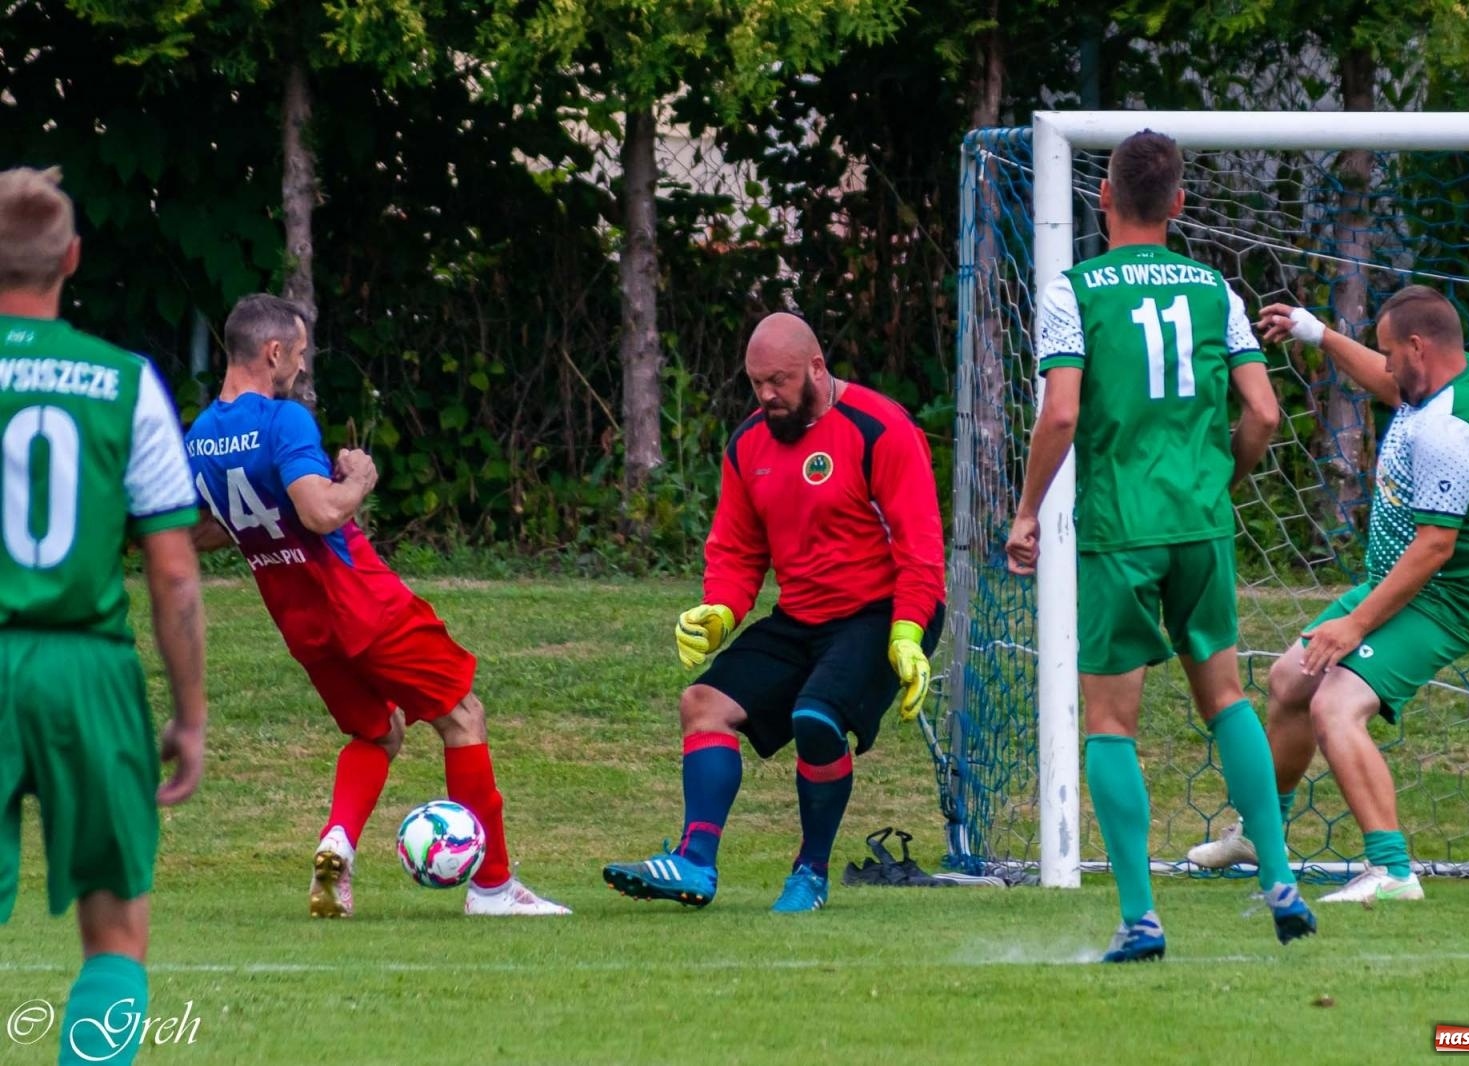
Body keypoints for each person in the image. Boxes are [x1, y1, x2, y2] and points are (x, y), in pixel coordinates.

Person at [1004, 130, 1314, 962]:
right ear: (1178, 203)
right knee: (1227, 699)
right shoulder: (1216, 290)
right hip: (1200, 525)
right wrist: (1219, 481)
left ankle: (1142, 917)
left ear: (1104, 197)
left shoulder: (1074, 291)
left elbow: (1062, 413)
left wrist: (1027, 512)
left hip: (1120, 530)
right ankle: (1278, 875)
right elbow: (1264, 413)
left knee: (1111, 722)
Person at [185, 293, 566, 918]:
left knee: (378, 730)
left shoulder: (200, 438)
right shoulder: (284, 420)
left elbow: (199, 531)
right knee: (463, 717)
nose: (302, 367)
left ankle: (337, 844)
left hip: (302, 625)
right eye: (299, 354)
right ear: (273, 352)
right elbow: (319, 512)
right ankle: (493, 888)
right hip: (362, 602)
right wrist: (360, 477)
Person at [602, 312, 945, 913]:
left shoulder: (880, 428)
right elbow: (737, 551)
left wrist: (908, 632)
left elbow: (920, 550)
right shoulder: (748, 445)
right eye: (756, 382)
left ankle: (810, 873)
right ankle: (693, 862)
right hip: (802, 616)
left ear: (816, 368)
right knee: (702, 705)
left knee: (815, 718)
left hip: (881, 613)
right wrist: (719, 610)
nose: (766, 395)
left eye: (779, 381)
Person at [1187, 286, 1469, 904]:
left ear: (1418, 346)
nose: (1384, 364)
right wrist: (1318, 333)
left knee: (1334, 704)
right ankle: (1260, 835)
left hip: (1444, 598)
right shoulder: (1453, 374)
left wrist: (1355, 624)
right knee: (1290, 680)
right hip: (1404, 582)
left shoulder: (1450, 430)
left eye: (1389, 352)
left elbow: (1435, 547)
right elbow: (1394, 385)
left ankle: (1392, 872)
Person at [0, 165, 208, 1066]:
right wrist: (190, 716)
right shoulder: (126, 383)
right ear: (72, 258)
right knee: (117, 936)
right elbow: (175, 574)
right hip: (88, 669)